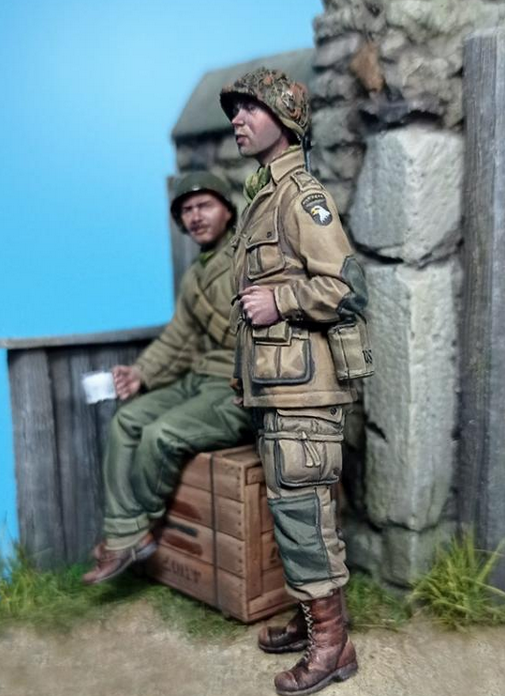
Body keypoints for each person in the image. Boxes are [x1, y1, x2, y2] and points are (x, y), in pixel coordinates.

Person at [220, 68, 370, 695]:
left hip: (304, 392)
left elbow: (346, 287)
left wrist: (281, 299)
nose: (237, 119)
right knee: (295, 514)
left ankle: (332, 647)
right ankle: (316, 622)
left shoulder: (302, 196)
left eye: (250, 108)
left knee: (305, 517)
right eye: (234, 111)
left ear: (284, 119)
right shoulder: (263, 196)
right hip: (279, 387)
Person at [83, 171, 252, 585]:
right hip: (200, 378)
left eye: (205, 205)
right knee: (126, 421)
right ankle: (125, 531)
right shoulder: (195, 275)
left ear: (227, 211)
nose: (195, 216)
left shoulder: (250, 257)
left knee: (161, 434)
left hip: (237, 386)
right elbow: (180, 337)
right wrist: (141, 373)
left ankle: (135, 530)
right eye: (186, 210)